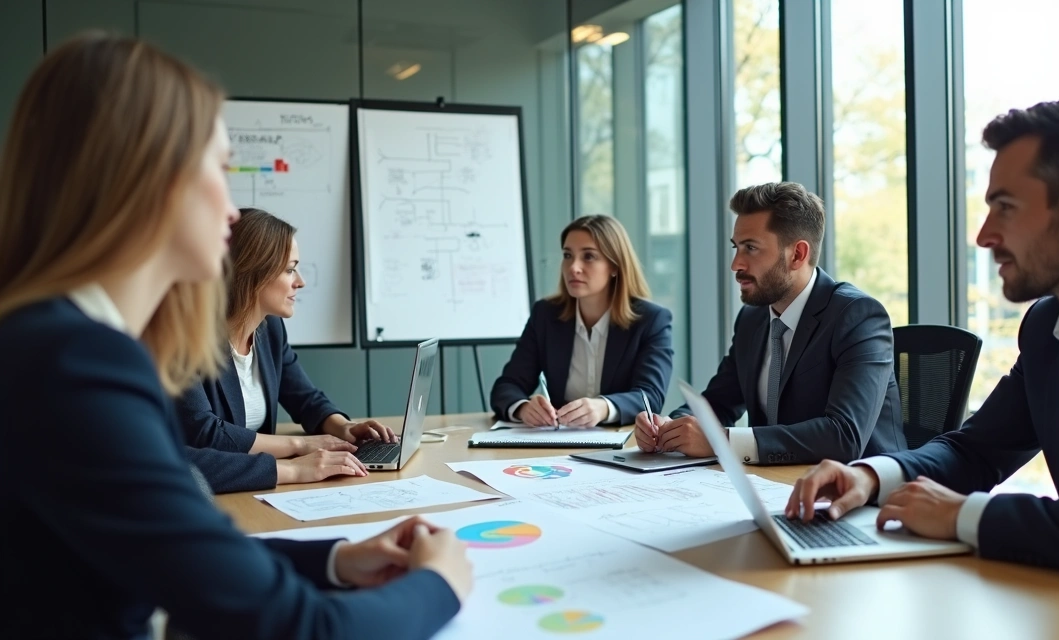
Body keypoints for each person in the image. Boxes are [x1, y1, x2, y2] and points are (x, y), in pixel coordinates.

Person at [0, 33, 470, 638]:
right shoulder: (76, 365)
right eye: (219, 170)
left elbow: (181, 551)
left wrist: (337, 559)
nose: (231, 210)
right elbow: (297, 628)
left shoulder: (58, 342)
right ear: (150, 178)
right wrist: (439, 584)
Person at [786, 96, 1059, 584]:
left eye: (1005, 207)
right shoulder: (1047, 326)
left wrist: (963, 516)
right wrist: (868, 476)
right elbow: (977, 451)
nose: (984, 235)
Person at [636, 182, 906, 465]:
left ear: (797, 255)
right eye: (736, 247)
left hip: (859, 487)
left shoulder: (858, 317)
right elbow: (718, 403)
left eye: (751, 248)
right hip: (775, 481)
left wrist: (721, 441)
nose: (736, 264)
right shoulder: (752, 319)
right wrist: (670, 427)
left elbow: (844, 436)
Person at [177, 208, 395, 490]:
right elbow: (206, 434)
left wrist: (344, 427)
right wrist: (300, 445)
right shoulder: (186, 338)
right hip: (209, 491)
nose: (300, 282)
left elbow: (305, 399)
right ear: (253, 271)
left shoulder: (270, 329)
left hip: (254, 487)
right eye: (290, 269)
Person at [491, 215, 674, 426]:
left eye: (588, 256)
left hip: (624, 441)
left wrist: (604, 407)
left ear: (615, 266)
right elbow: (507, 386)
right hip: (557, 439)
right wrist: (523, 408)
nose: (573, 267)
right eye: (568, 255)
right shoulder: (545, 315)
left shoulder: (651, 320)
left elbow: (650, 397)